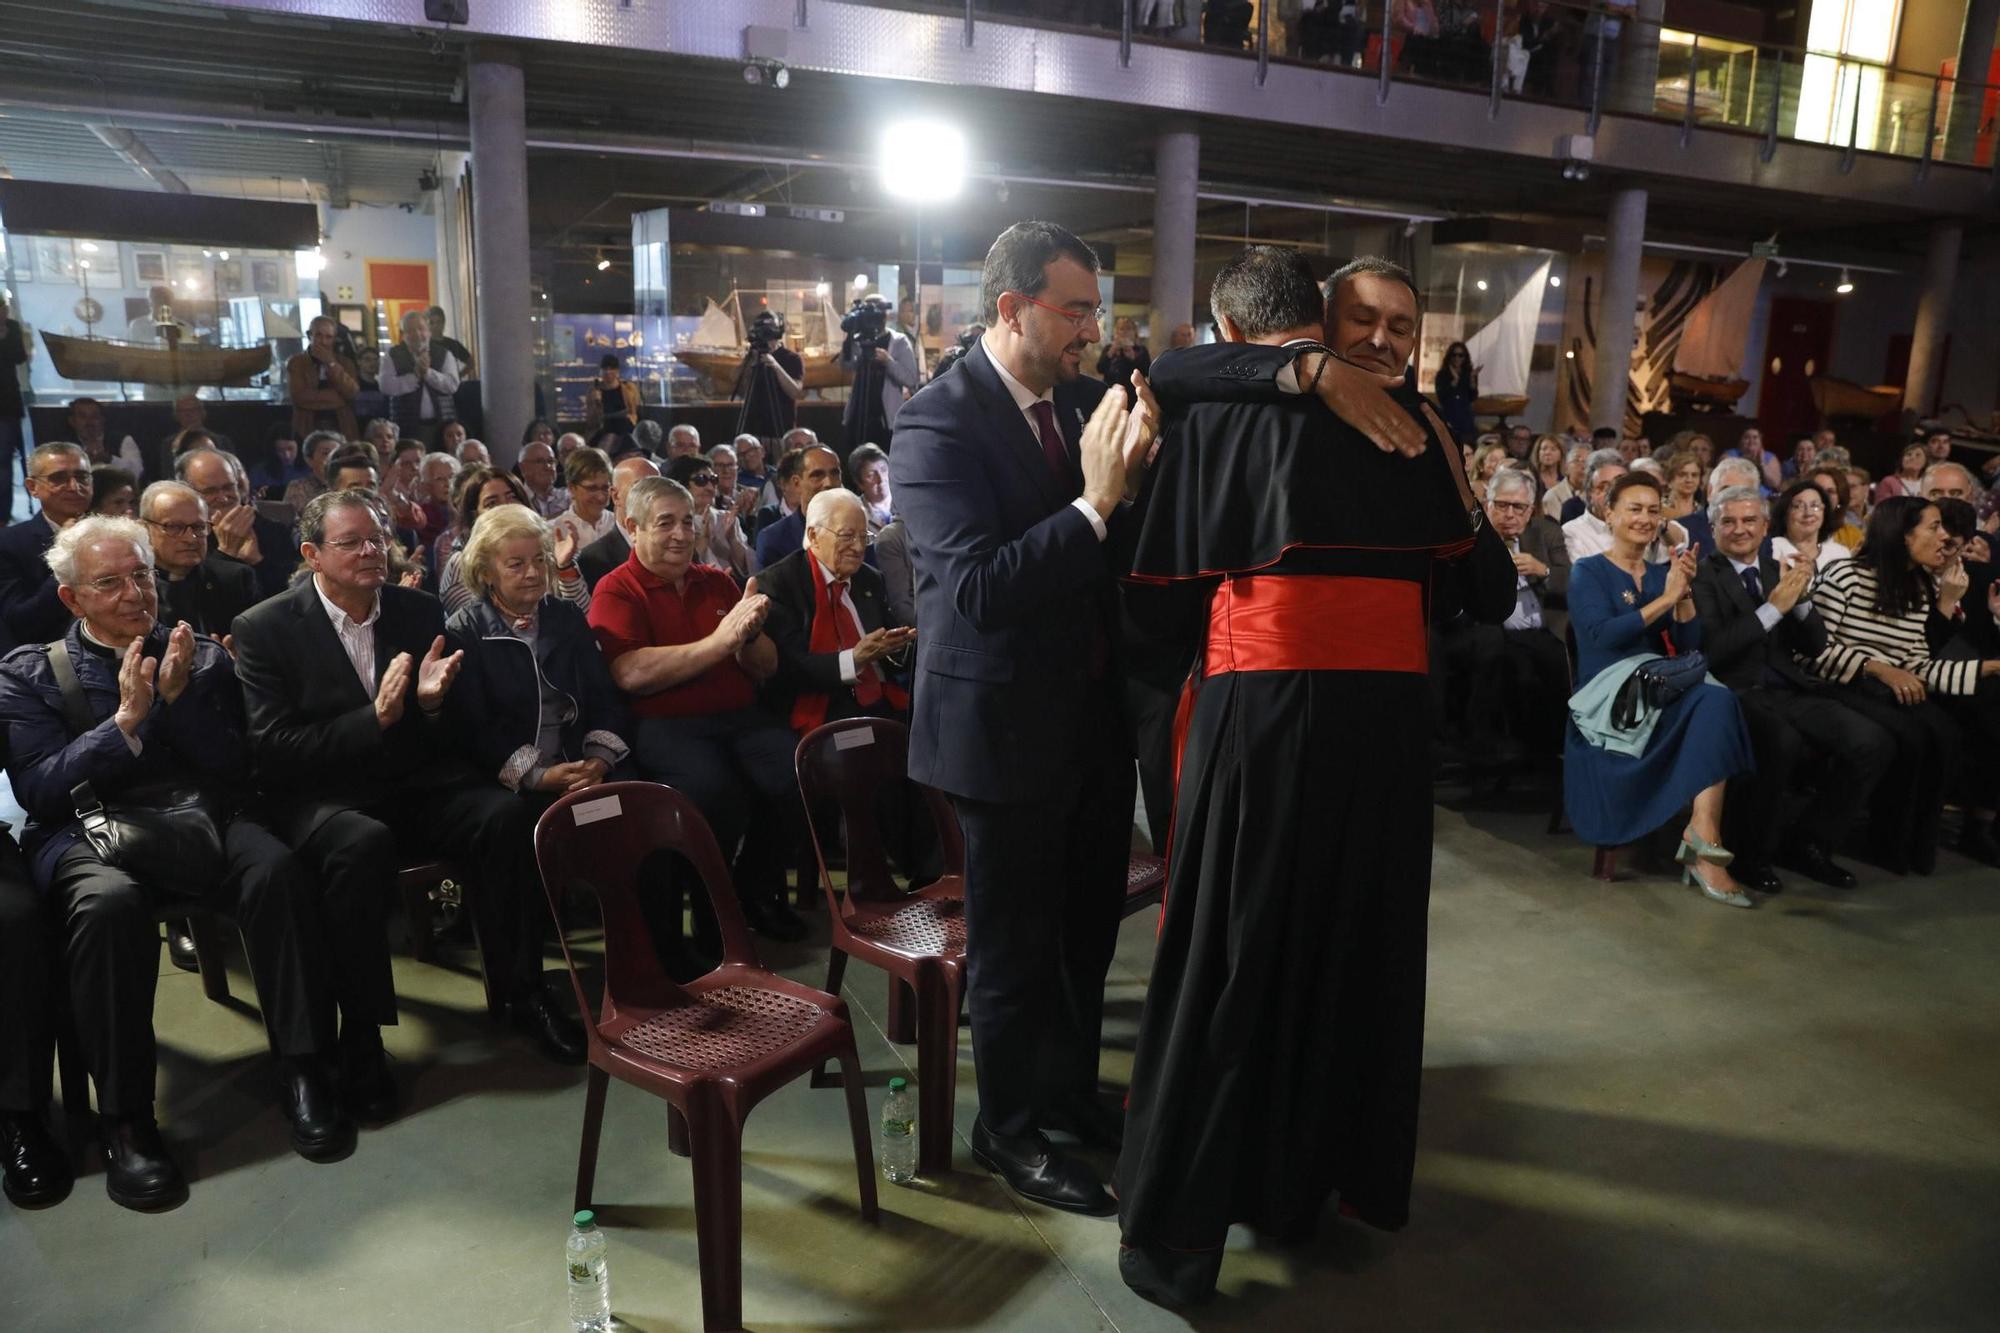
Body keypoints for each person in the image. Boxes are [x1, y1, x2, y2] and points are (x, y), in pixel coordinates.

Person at [1110, 250, 1509, 1304]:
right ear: (1317, 329)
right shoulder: (1248, 403)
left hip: (1382, 736)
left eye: (1401, 327)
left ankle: (1302, 1185)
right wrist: (1302, 376)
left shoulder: (1421, 436)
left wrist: (1462, 487)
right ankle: (1178, 1230)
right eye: (1361, 322)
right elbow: (1177, 369)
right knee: (1236, 962)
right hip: (1269, 721)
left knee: (1350, 953)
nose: (1382, 341)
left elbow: (1485, 593)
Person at [891, 220, 1173, 1220]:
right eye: (1074, 311)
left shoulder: (1085, 402)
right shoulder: (935, 426)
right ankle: (1004, 1129)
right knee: (1011, 951)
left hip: (1089, 719)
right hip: (999, 732)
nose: (1091, 332)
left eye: (1095, 310)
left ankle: (1061, 1094)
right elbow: (973, 591)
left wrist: (1132, 489)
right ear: (1010, 310)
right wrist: (1096, 505)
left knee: (1084, 935)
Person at [0, 517, 360, 1205]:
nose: (135, 593)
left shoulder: (200, 656)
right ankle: (127, 1120)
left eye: (141, 575)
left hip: (197, 815)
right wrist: (124, 725)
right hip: (84, 833)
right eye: (110, 582)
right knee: (108, 905)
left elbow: (234, 767)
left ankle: (304, 1066)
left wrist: (177, 700)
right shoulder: (30, 671)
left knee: (275, 869)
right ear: (73, 599)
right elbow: (40, 788)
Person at [231, 491, 586, 1071]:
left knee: (505, 817)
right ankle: (363, 1033)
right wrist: (372, 720)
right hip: (328, 796)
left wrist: (429, 705)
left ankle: (522, 992)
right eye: (351, 542)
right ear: (312, 554)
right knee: (360, 845)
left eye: (377, 539)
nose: (371, 551)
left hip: (412, 784)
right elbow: (274, 751)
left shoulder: (416, 611)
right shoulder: (265, 627)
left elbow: (445, 731)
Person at [586, 476, 806, 943]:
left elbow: (765, 667)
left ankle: (752, 892)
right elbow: (630, 673)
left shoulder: (716, 581)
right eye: (665, 523)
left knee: (797, 773)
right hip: (666, 723)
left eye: (688, 522)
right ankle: (712, 915)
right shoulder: (617, 589)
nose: (682, 535)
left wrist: (747, 635)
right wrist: (717, 642)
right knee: (714, 793)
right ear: (632, 527)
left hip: (737, 716)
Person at [1564, 472, 1755, 905]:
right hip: (1609, 695)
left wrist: (1683, 594)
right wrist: (1666, 600)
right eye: (1634, 508)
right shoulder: (1587, 571)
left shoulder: (1660, 573)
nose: (1645, 518)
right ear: (1609, 514)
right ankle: (1704, 846)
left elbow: (1689, 644)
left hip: (1658, 683)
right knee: (1712, 699)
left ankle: (1703, 832)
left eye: (1654, 510)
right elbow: (1601, 636)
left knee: (1716, 698)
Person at [1691, 485, 1891, 892]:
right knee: (1781, 742)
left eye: (1750, 520)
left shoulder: (1775, 567)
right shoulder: (1702, 575)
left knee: (1873, 741)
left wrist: (1800, 601)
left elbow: (1816, 646)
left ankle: (1809, 842)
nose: (1740, 529)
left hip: (1790, 689)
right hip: (1733, 691)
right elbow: (1712, 650)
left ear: (1765, 526)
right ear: (1713, 528)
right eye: (1728, 521)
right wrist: (1774, 609)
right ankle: (1750, 856)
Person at [1806, 496, 2000, 870]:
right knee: (1911, 734)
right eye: (1933, 527)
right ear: (1902, 535)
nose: (1944, 537)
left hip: (1884, 685)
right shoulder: (1846, 575)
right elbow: (1812, 653)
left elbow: (1915, 662)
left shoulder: (1918, 586)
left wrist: (1985, 668)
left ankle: (1912, 846)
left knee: (1943, 732)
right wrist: (1878, 668)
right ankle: (1881, 842)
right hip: (1838, 683)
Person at [445, 506, 629, 802]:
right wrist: (537, 776)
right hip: (509, 776)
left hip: (580, 761)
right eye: (516, 565)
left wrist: (598, 760)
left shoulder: (565, 615)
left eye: (540, 560)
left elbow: (603, 696)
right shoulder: (465, 630)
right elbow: (475, 726)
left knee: (630, 804)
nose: (532, 573)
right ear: (486, 573)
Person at [759, 486, 913, 732]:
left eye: (864, 537)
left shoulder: (869, 579)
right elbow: (790, 668)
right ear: (814, 535)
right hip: (821, 702)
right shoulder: (779, 584)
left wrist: (901, 644)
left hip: (881, 696)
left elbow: (890, 652)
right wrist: (854, 659)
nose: (858, 547)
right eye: (847, 536)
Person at [437, 465, 587, 616]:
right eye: (491, 503)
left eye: (512, 497)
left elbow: (583, 617)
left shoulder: (548, 546)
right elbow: (476, 626)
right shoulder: (461, 564)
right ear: (475, 515)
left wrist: (565, 567)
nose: (505, 507)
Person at [0, 443, 95, 654]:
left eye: (82, 477)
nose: (73, 486)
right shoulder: (9, 543)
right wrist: (68, 552)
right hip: (46, 662)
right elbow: (21, 621)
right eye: (58, 478)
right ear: (32, 487)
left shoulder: (113, 533)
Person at [138, 481, 259, 638]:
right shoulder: (134, 589)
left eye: (198, 527)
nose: (191, 538)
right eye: (174, 527)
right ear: (144, 529)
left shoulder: (235, 579)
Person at [180, 447, 299, 602]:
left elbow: (292, 594)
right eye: (210, 491)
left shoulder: (274, 530)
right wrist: (225, 555)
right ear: (188, 493)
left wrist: (257, 561)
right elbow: (195, 601)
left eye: (229, 487)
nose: (223, 498)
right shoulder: (185, 539)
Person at [1562, 448, 1684, 563]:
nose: (1611, 494)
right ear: (1589, 492)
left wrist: (1660, 526)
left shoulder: (1642, 521)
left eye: (1619, 487)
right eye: (1604, 487)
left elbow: (1682, 541)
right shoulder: (1572, 532)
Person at [839, 294, 921, 449]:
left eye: (878, 311)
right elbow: (846, 366)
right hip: (857, 415)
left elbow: (911, 380)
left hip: (884, 420)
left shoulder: (899, 341)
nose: (875, 317)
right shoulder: (858, 339)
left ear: (886, 315)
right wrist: (849, 338)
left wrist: (888, 361)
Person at [754, 445, 843, 571]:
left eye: (835, 473)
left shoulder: (858, 531)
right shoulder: (773, 540)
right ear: (797, 483)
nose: (829, 483)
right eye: (817, 475)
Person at [577, 454, 659, 591]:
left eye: (657, 487)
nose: (652, 496)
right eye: (640, 488)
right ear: (615, 496)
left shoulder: (678, 544)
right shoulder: (594, 558)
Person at [378, 310, 460, 438]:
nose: (417, 334)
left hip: (442, 425)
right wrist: (414, 376)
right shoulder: (393, 355)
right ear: (403, 335)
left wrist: (428, 373)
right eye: (410, 330)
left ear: (428, 331)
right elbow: (385, 386)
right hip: (406, 425)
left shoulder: (444, 353)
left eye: (421, 329)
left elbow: (452, 385)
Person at [668, 454, 751, 579]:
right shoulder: (672, 524)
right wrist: (703, 540)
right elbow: (677, 571)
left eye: (713, 480)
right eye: (701, 480)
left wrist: (733, 539)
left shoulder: (726, 518)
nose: (709, 487)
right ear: (681, 485)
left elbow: (745, 569)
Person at [287, 315, 360, 440]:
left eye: (328, 337)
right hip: (307, 426)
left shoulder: (345, 363)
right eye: (319, 335)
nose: (323, 341)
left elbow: (352, 392)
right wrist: (338, 399)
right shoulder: (296, 363)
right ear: (310, 335)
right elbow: (299, 397)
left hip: (341, 426)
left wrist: (331, 363)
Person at [1769, 476, 1852, 571]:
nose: (1808, 513)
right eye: (1798, 506)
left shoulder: (1839, 554)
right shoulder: (1772, 550)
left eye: (1815, 506)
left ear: (1824, 512)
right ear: (1784, 513)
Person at [550, 446, 618, 555]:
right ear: (572, 488)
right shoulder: (554, 530)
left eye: (605, 488)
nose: (601, 497)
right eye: (592, 488)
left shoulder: (620, 524)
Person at [1, 295, 29, 522]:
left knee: (5, 461)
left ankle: (3, 513)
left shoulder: (12, 327)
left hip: (9, 401)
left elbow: (20, 356)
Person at [65, 399, 145, 478]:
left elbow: (137, 471)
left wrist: (109, 459)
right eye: (83, 416)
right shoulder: (65, 445)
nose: (89, 422)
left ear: (102, 420)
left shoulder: (122, 440)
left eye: (94, 416)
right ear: (72, 421)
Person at [1096, 316, 1153, 406]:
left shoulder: (1141, 350)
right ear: (1116, 331)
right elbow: (1100, 368)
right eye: (1121, 329)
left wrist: (1133, 358)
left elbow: (1146, 371)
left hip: (1132, 395)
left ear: (1135, 332)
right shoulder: (1109, 348)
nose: (1124, 332)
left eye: (1128, 328)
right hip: (1111, 393)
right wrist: (1111, 351)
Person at [284, 429, 343, 514]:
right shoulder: (297, 487)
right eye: (326, 453)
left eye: (337, 454)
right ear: (309, 460)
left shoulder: (349, 484)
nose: (332, 458)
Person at [583, 354, 641, 440]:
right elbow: (591, 421)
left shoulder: (628, 389)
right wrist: (596, 402)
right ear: (601, 371)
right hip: (603, 430)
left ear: (617, 371)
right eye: (605, 369)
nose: (608, 372)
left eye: (611, 369)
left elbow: (634, 410)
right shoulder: (594, 391)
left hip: (625, 428)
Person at [1433, 340, 1478, 444]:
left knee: (1467, 449)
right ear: (1450, 357)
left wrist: (1472, 380)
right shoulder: (1442, 375)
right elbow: (1441, 397)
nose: (1457, 358)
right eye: (1454, 355)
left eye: (1461, 355)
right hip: (1449, 417)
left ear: (1465, 357)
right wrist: (1454, 381)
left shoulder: (1469, 374)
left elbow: (1473, 397)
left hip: (1465, 420)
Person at [517, 437, 569, 520]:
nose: (547, 466)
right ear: (523, 467)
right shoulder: (516, 501)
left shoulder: (569, 497)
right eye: (539, 461)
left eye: (551, 461)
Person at [253, 425, 310, 498]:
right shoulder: (259, 471)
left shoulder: (309, 469)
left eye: (290, 449)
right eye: (280, 450)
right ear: (273, 450)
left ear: (299, 446)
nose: (287, 455)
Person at [848, 442, 894, 531]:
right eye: (871, 475)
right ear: (859, 483)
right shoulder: (854, 512)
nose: (881, 479)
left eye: (884, 470)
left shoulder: (906, 502)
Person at [424, 306, 475, 379]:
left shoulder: (453, 344)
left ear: (443, 323)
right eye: (431, 323)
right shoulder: (423, 346)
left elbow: (471, 363)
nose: (435, 326)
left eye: (439, 322)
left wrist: (458, 376)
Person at [1543, 441, 1588, 521]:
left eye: (1587, 462)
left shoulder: (1596, 495)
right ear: (1566, 467)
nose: (1583, 466)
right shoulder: (1553, 496)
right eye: (1577, 460)